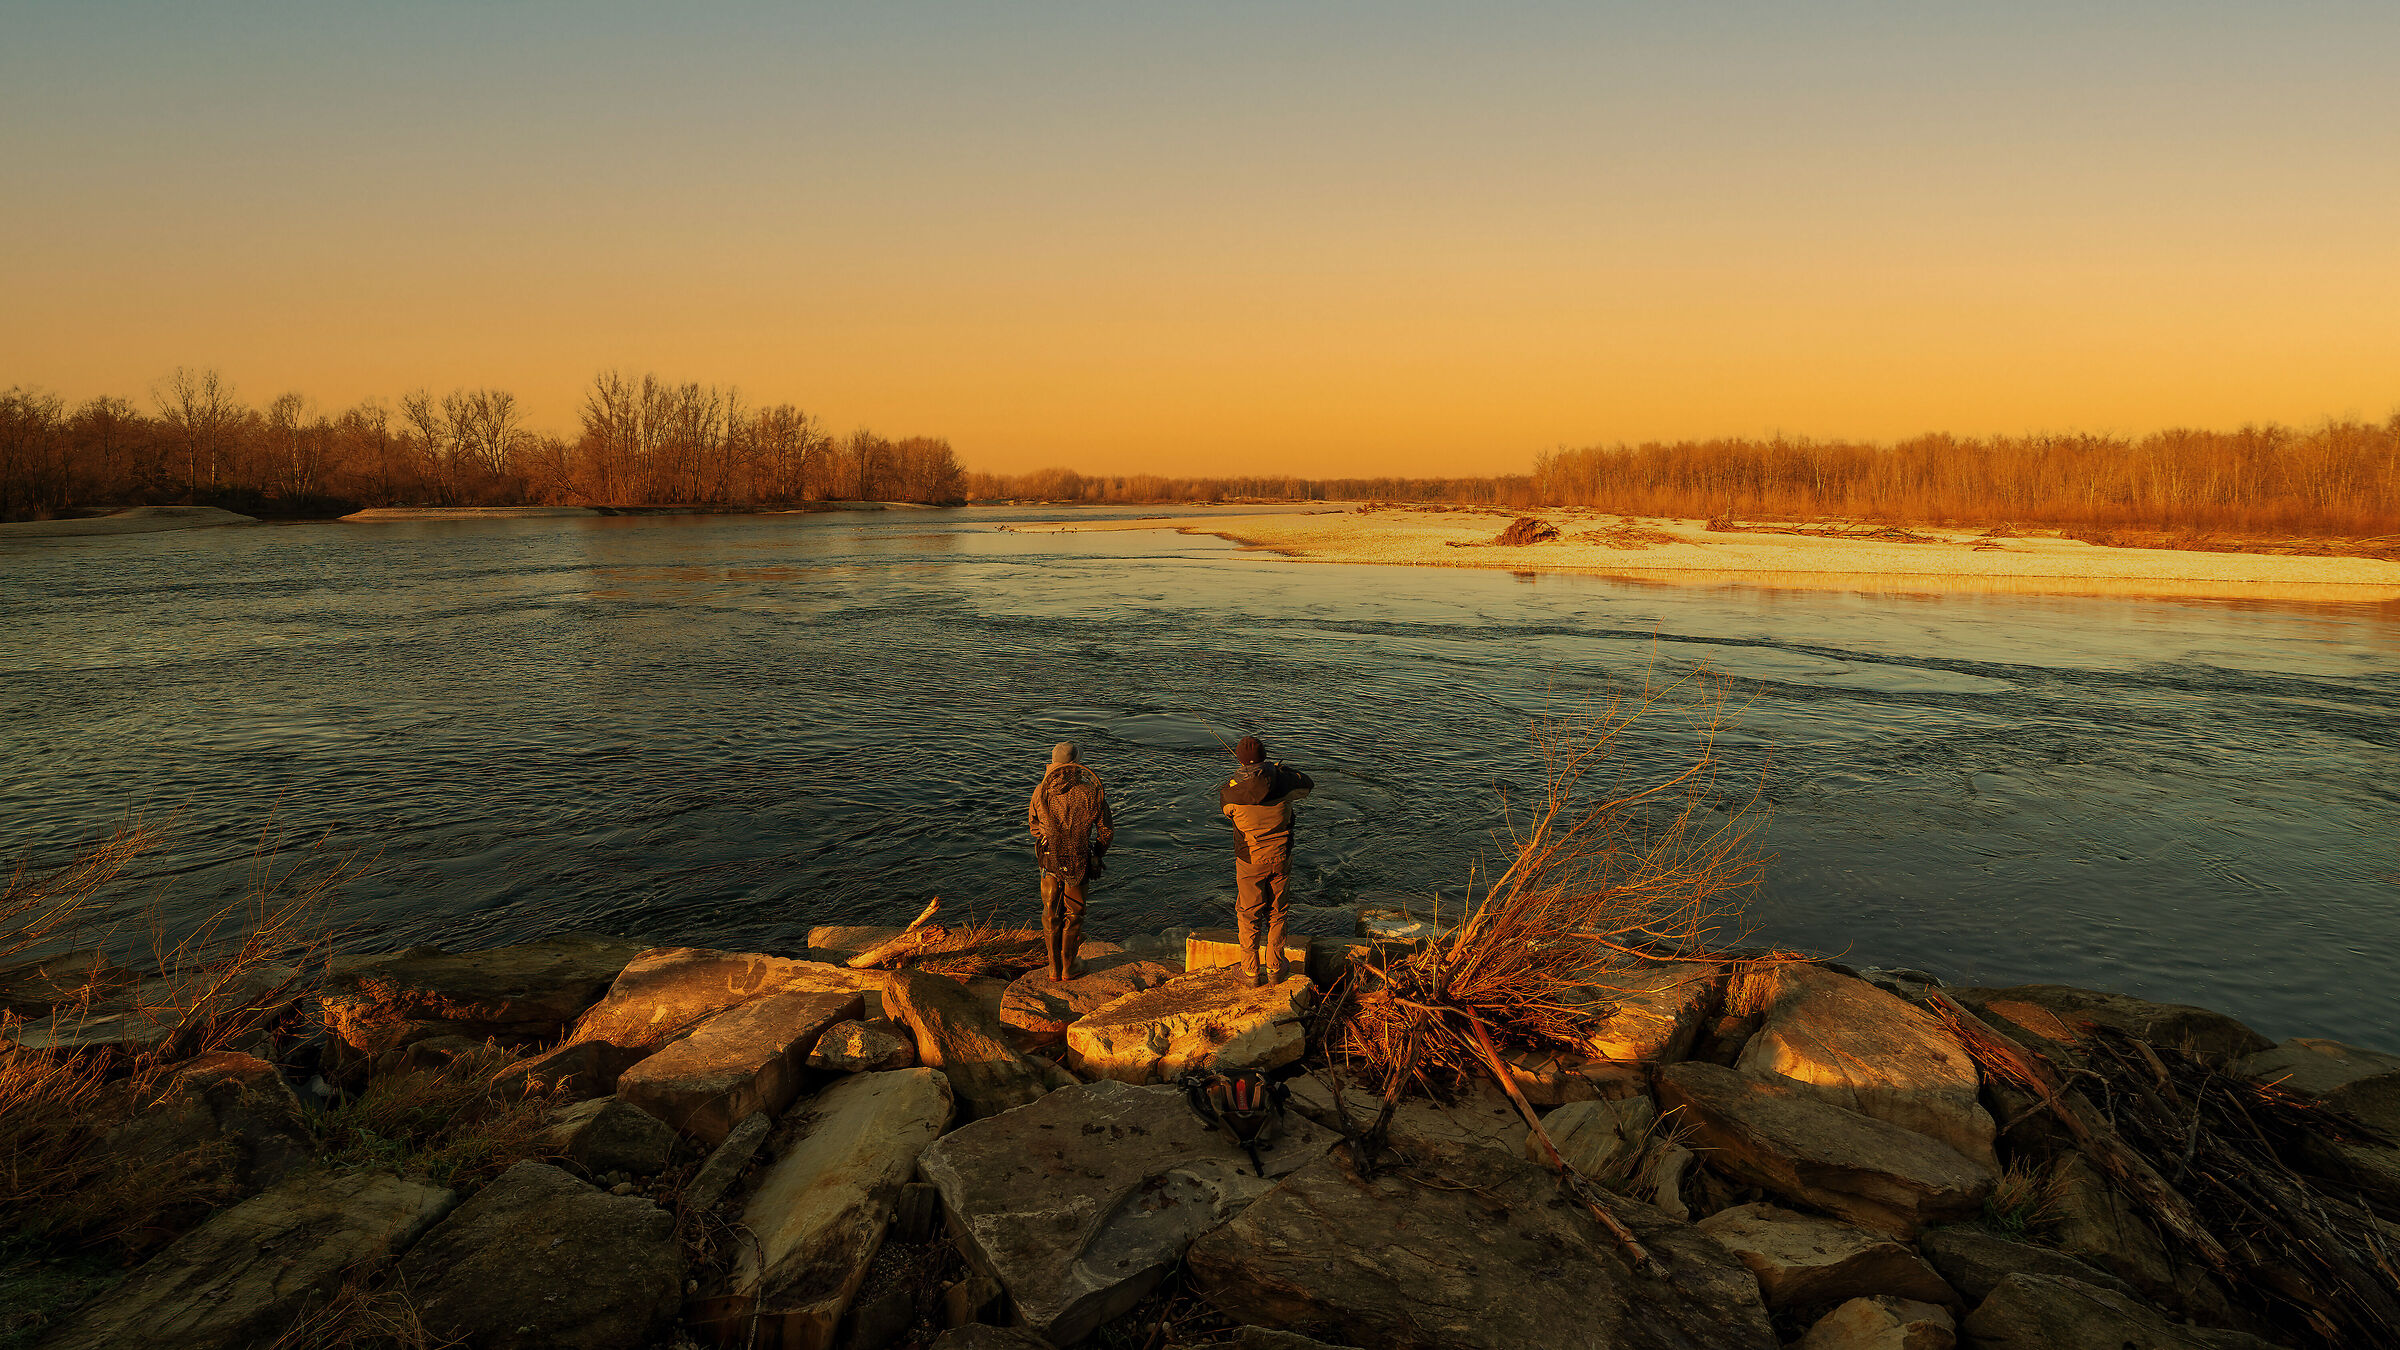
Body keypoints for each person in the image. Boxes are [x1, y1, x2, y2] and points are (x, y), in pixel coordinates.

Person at [1218, 734, 1313, 985]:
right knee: (1278, 912)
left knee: (1248, 914)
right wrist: (1280, 771)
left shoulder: (1230, 793)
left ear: (1240, 761)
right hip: (1281, 856)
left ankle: (1250, 970)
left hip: (1250, 859)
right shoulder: (1284, 782)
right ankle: (1275, 967)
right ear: (1264, 757)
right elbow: (1307, 785)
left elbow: (1227, 812)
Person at [1027, 741, 1114, 981]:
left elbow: (1034, 827)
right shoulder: (1089, 792)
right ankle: (1069, 967)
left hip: (1049, 859)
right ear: (1075, 765)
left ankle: (1053, 969)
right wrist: (1097, 854)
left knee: (1050, 912)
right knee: (1074, 913)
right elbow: (1106, 831)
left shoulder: (1040, 790)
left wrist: (1049, 836)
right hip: (1079, 858)